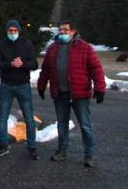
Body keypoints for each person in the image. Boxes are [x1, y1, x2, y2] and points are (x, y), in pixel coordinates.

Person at [37, 20, 105, 167]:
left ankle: (89, 155)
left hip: (79, 94)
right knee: (62, 124)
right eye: (61, 30)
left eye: (66, 30)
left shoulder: (85, 48)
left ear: (73, 31)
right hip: (60, 93)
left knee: (85, 125)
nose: (63, 33)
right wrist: (41, 86)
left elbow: (96, 68)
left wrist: (100, 88)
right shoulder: (53, 49)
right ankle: (62, 150)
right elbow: (46, 70)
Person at [0, 20, 39, 159]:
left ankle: (31, 146)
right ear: (7, 32)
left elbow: (34, 64)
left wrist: (23, 64)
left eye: (15, 31)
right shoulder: (1, 45)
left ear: (19, 31)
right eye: (10, 31)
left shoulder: (26, 44)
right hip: (6, 85)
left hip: (23, 85)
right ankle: (3, 145)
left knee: (29, 118)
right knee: (3, 118)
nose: (12, 33)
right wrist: (10, 64)